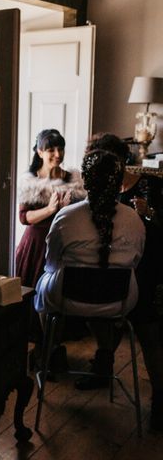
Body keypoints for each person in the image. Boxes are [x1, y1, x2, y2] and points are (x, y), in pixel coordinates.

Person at [34, 150, 145, 397]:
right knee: (103, 293)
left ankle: (53, 352)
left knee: (43, 284)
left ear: (85, 180)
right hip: (119, 301)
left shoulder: (66, 217)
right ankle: (105, 359)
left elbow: (50, 264)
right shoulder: (134, 220)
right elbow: (136, 260)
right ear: (119, 183)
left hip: (67, 299)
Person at [80, 133, 163, 430]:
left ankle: (159, 400)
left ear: (121, 161)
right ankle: (104, 363)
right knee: (96, 307)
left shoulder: (150, 185)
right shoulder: (100, 190)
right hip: (112, 265)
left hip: (148, 265)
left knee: (148, 331)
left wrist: (150, 213)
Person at [15, 129, 86, 368]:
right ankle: (41, 350)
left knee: (59, 295)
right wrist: (51, 209)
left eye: (60, 148)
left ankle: (53, 348)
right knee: (35, 294)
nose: (57, 154)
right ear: (39, 152)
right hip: (35, 245)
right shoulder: (30, 179)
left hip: (64, 241)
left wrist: (68, 209)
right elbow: (24, 218)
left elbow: (82, 213)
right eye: (50, 149)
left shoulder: (73, 179)